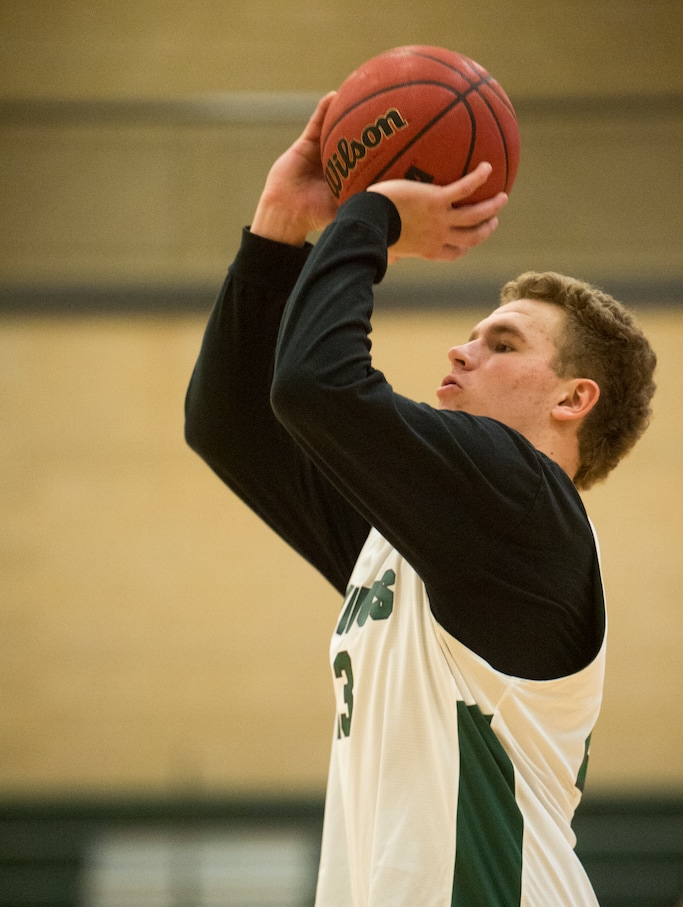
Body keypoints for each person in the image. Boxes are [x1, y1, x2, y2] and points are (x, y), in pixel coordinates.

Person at [185, 93, 656, 906]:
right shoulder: (416, 539)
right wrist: (275, 231)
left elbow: (315, 384)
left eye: (501, 343)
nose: (461, 348)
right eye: (473, 333)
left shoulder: (524, 504)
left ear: (573, 399)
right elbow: (229, 423)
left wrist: (369, 216)